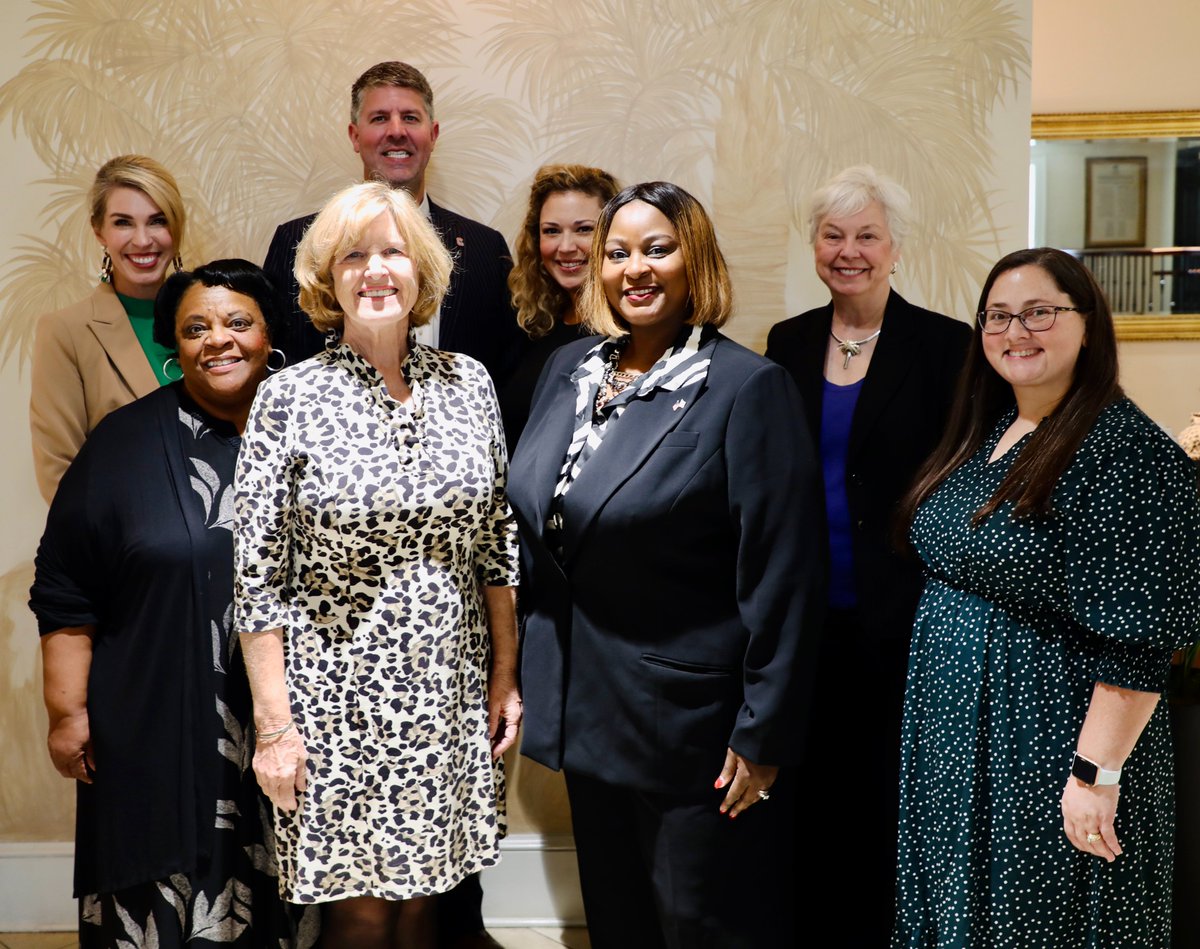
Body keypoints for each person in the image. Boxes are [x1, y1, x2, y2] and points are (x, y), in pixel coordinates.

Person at [508, 181, 822, 948]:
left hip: (695, 736)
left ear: (696, 263)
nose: (634, 269)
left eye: (658, 248)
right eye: (618, 252)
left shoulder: (746, 388)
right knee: (619, 924)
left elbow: (785, 575)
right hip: (587, 713)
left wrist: (764, 733)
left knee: (699, 927)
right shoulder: (570, 371)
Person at [234, 182, 520, 949]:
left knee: (426, 901)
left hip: (447, 691)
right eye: (353, 255)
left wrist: (504, 676)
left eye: (392, 250)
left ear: (422, 268)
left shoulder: (470, 384)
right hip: (334, 702)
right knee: (358, 913)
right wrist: (274, 728)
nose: (375, 270)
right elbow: (255, 573)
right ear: (328, 278)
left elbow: (497, 543)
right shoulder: (288, 397)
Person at [893, 247, 1200, 947]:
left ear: (1087, 324)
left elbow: (1140, 635)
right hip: (957, 741)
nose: (1015, 331)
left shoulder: (1126, 452)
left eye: (1039, 312)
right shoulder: (992, 426)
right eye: (998, 315)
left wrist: (1095, 774)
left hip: (1049, 743)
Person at [29, 259, 315, 947]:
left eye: (238, 322)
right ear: (174, 345)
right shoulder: (121, 445)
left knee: (282, 892)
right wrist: (67, 712)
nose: (219, 340)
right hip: (154, 722)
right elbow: (65, 583)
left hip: (295, 721)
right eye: (196, 328)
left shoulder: (314, 430)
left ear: (268, 331)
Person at [764, 164, 970, 945]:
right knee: (810, 807)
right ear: (815, 245)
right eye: (833, 235)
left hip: (905, 619)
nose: (849, 251)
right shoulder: (786, 343)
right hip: (805, 621)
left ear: (895, 248)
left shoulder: (947, 346)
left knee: (890, 803)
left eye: (867, 236)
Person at [263, 61, 525, 393]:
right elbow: (274, 359)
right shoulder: (296, 242)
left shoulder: (486, 248)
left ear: (433, 135)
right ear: (355, 136)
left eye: (411, 118)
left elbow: (510, 379)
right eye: (380, 118)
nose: (397, 131)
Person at [30, 154, 186, 502]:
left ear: (176, 227)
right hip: (127, 548)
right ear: (98, 230)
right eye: (123, 223)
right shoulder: (65, 332)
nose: (143, 240)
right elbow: (60, 473)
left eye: (158, 221)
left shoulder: (216, 320)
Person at [499, 163, 620, 451]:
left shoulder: (630, 333)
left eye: (584, 230)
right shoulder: (532, 325)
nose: (566, 247)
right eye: (552, 231)